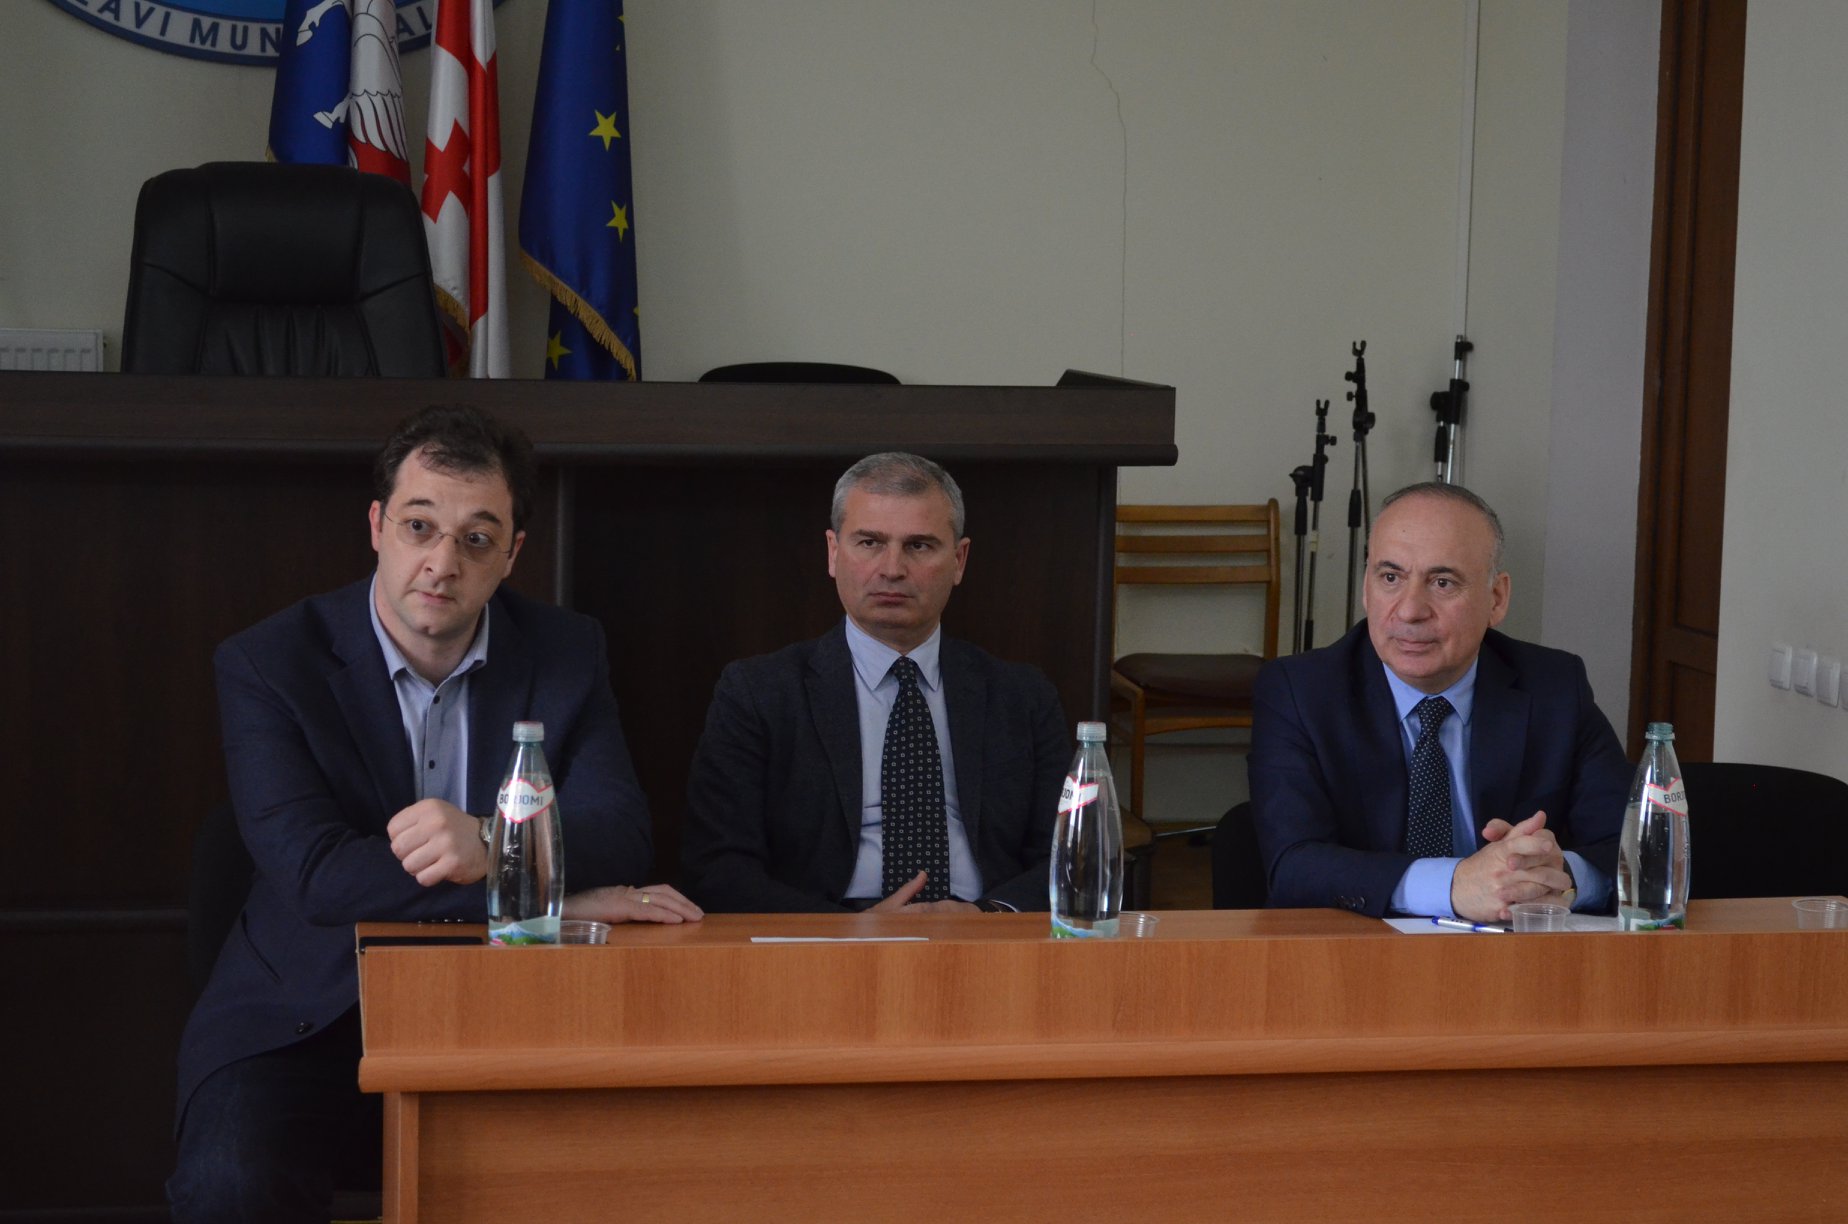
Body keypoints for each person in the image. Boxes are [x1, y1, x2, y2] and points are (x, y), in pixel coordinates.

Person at [168, 406, 699, 1224]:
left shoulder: (565, 651)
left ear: (512, 554)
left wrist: (490, 841)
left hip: (510, 1006)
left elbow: (622, 831)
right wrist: (532, 892)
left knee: (634, 1174)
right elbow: (317, 876)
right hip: (304, 1014)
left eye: (477, 539)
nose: (442, 564)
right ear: (377, 526)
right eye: (419, 527)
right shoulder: (269, 662)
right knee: (230, 1187)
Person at [682, 452, 1069, 913]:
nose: (892, 569)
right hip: (825, 933)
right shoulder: (757, 693)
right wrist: (850, 932)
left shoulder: (1023, 697)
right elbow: (718, 866)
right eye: (869, 542)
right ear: (833, 552)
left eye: (919, 546)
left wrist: (989, 916)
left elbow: (1069, 855)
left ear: (959, 560)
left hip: (982, 927)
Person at [1248, 481, 1629, 922]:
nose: (1410, 610)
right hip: (1356, 947)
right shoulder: (1299, 692)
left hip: (1508, 954)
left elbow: (1635, 847)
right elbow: (1293, 864)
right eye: (1390, 578)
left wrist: (1555, 875)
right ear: (1366, 589)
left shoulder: (1555, 687)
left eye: (1442, 582)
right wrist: (1455, 885)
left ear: (1497, 598)